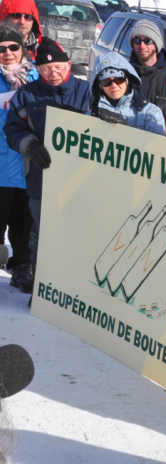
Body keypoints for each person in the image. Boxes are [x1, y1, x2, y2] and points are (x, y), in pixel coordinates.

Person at [3, 37, 91, 284]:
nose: (53, 74)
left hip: (81, 178)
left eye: (58, 68)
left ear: (69, 65)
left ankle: (76, 285)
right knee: (41, 233)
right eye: (45, 69)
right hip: (41, 177)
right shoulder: (26, 95)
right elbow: (12, 130)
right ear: (37, 70)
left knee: (80, 232)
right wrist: (31, 146)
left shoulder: (87, 92)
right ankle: (41, 287)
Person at [0, 22, 36, 293]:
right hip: (1, 165)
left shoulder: (36, 77)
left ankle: (22, 266)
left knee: (24, 223)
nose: (8, 53)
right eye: (1, 49)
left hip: (28, 165)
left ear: (22, 48)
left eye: (13, 47)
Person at [88, 51, 165, 135]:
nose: (113, 86)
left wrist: (127, 131)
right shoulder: (91, 116)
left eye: (118, 79)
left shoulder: (151, 113)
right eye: (106, 82)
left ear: (127, 80)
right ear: (99, 86)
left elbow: (156, 143)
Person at [127, 19, 166, 119]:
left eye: (147, 41)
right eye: (137, 40)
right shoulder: (125, 72)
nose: (142, 46)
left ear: (156, 44)